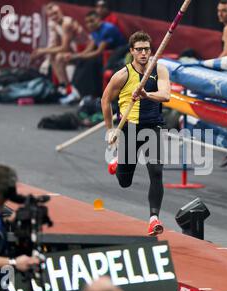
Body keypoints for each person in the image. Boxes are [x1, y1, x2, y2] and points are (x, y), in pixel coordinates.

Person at [101, 31, 170, 236]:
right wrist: (110, 129)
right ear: (132, 51)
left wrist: (147, 94)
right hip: (130, 129)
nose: (143, 53)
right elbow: (105, 100)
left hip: (153, 127)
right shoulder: (122, 75)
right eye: (139, 49)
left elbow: (166, 95)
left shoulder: (160, 69)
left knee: (156, 171)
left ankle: (153, 219)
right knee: (124, 182)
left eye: (147, 49)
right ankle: (117, 162)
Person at [57, 10, 127, 104]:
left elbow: (98, 52)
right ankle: (76, 92)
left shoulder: (107, 29)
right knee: (82, 60)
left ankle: (88, 95)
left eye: (92, 21)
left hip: (116, 56)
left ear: (99, 19)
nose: (89, 24)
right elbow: (88, 50)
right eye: (87, 22)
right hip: (104, 55)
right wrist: (75, 56)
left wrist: (78, 57)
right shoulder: (94, 31)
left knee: (90, 63)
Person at [31, 2, 86, 94]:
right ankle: (63, 86)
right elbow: (55, 46)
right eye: (51, 15)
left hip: (84, 50)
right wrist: (41, 53)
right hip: (74, 50)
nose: (54, 16)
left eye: (56, 13)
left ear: (60, 11)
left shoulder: (66, 23)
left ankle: (69, 88)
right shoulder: (55, 25)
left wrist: (42, 51)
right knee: (52, 56)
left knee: (59, 57)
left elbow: (64, 48)